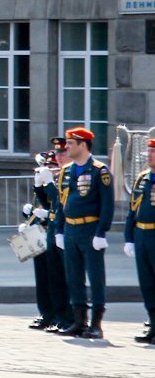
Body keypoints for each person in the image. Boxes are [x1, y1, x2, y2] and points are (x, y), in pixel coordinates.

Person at [51, 126, 112, 340]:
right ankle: (79, 320)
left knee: (95, 277)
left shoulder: (99, 170)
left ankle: (96, 323)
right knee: (74, 276)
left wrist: (101, 232)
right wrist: (59, 229)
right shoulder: (67, 171)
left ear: (82, 145)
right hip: (70, 228)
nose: (66, 147)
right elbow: (61, 202)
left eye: (70, 143)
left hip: (90, 228)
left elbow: (107, 205)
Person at [26, 149, 70, 329]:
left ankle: (59, 315)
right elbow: (42, 203)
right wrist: (29, 216)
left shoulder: (60, 181)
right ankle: (46, 313)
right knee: (42, 276)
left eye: (51, 166)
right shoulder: (45, 181)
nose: (48, 169)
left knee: (56, 277)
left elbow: (58, 204)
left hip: (55, 231)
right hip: (40, 230)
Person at [125, 137, 155, 344]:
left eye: (153, 152)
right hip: (141, 234)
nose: (149, 155)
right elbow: (132, 210)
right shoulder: (143, 177)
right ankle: (153, 323)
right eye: (149, 152)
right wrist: (129, 238)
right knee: (147, 283)